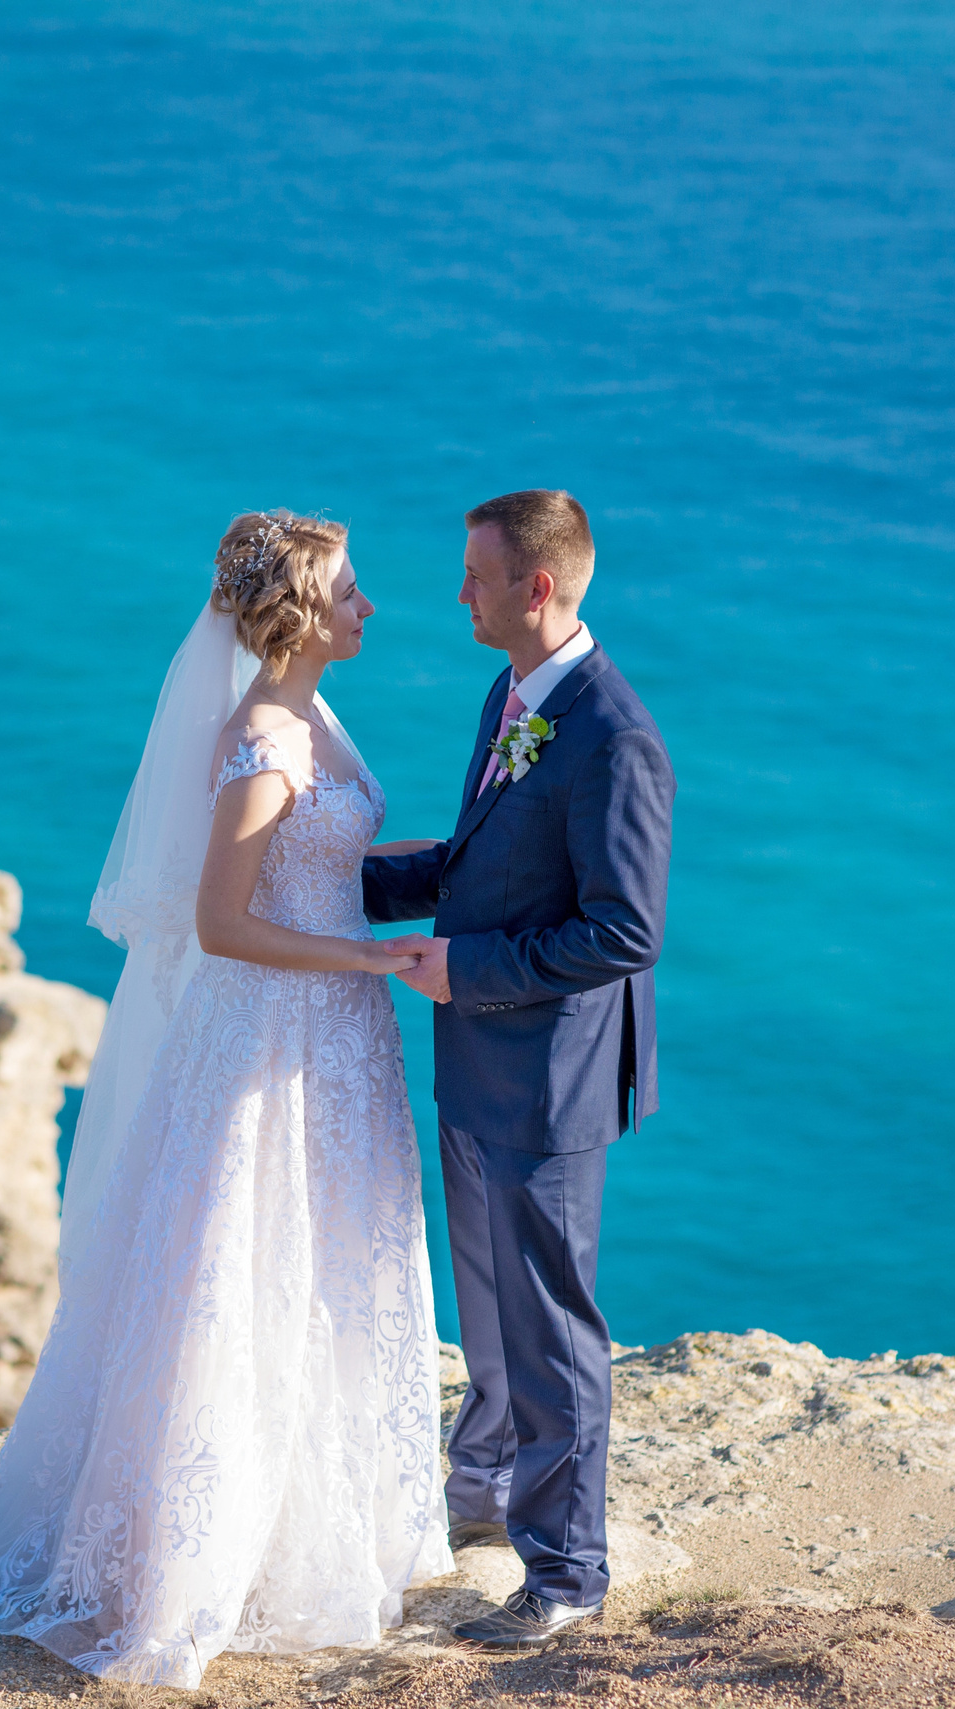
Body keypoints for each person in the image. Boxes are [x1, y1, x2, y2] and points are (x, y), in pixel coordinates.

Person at [0, 510, 452, 1686]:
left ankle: (317, 1514)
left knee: (328, 1258)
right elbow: (222, 921)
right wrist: (370, 960)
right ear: (298, 614)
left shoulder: (313, 715)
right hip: (271, 1030)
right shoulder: (261, 738)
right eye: (351, 590)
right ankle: (192, 1551)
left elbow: (330, 868)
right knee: (240, 1264)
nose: (370, 607)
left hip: (334, 1040)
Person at [365, 489, 674, 1649]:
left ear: (533, 587)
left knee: (550, 1329)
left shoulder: (613, 737)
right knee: (489, 1310)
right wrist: (342, 883)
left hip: (548, 1080)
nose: (459, 594)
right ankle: (483, 1485)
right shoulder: (513, 692)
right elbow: (486, 856)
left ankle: (567, 1573)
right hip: (477, 1056)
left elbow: (622, 931)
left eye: (474, 575)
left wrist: (464, 966)